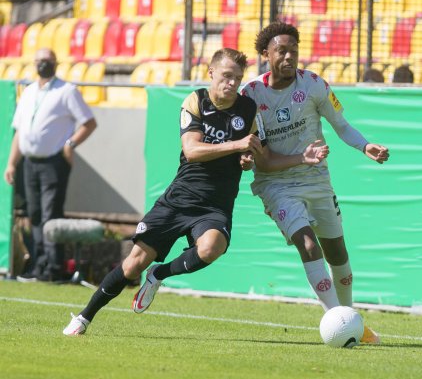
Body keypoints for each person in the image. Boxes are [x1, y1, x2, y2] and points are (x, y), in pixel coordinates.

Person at [62, 48, 329, 336]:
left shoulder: (248, 110)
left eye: (237, 79)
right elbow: (192, 150)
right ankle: (84, 317)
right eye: (226, 76)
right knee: (132, 265)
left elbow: (263, 160)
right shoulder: (196, 101)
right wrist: (237, 146)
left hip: (215, 205)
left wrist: (299, 157)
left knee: (212, 247)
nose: (231, 84)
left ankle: (159, 274)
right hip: (179, 199)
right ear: (211, 72)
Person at [240, 22, 389, 344]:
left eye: (294, 49)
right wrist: (247, 158)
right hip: (276, 183)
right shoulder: (250, 95)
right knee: (308, 244)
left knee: (337, 251)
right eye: (282, 50)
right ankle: (338, 320)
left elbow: (341, 125)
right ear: (266, 54)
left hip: (316, 179)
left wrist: (364, 146)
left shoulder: (315, 85)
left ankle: (351, 321)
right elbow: (256, 153)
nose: (289, 56)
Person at [3, 48, 97, 282]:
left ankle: (54, 266)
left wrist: (69, 144)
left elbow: (89, 122)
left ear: (55, 63)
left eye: (47, 60)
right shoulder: (29, 92)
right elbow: (19, 132)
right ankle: (39, 264)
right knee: (34, 214)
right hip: (30, 162)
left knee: (49, 214)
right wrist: (12, 163)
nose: (42, 64)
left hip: (54, 162)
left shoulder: (66, 91)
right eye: (39, 60)